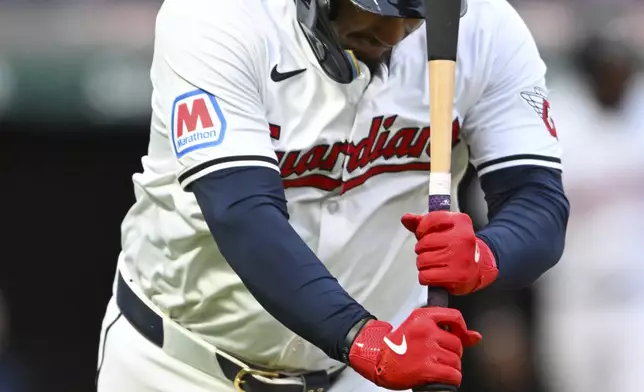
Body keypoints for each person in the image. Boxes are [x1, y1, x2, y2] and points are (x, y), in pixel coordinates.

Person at [95, 0, 569, 391]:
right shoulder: (218, 16)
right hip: (180, 365)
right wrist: (367, 340)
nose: (395, 30)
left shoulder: (486, 29)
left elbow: (538, 202)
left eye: (415, 10)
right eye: (377, 4)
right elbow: (243, 216)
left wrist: (486, 254)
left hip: (360, 375)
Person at [536, 31, 644, 392]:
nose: (618, 76)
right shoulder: (556, 122)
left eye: (623, 69)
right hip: (572, 300)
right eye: (608, 69)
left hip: (636, 299)